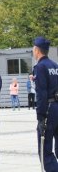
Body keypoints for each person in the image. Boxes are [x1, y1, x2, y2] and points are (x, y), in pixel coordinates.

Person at [33, 37, 58, 171]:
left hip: (48, 110)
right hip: (57, 107)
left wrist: (40, 117)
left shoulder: (40, 67)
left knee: (45, 152)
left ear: (37, 50)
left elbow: (41, 93)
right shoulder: (55, 65)